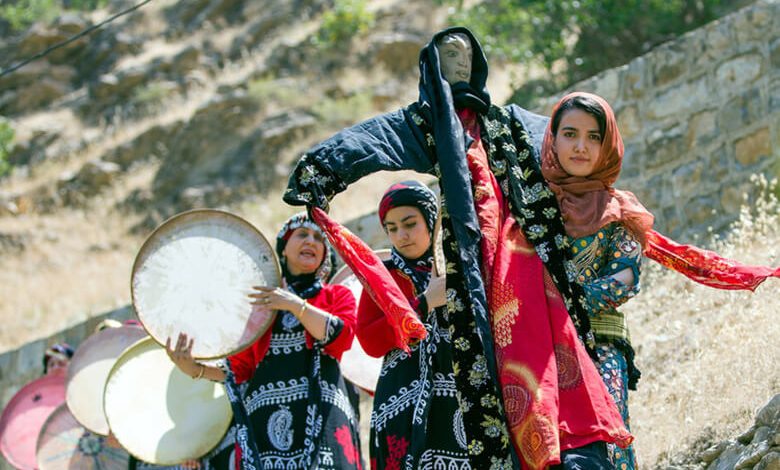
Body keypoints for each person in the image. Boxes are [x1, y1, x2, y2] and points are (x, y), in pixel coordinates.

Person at [284, 27, 632, 469]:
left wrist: (594, 164)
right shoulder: (427, 125)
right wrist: (317, 172)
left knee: (556, 369)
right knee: (497, 387)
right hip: (476, 275)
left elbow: (566, 141)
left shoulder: (507, 122)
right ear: (431, 66)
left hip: (531, 266)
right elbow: (371, 141)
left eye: (466, 55)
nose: (459, 63)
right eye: (448, 55)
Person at [166, 212, 362, 469]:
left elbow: (341, 337)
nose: (311, 241)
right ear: (283, 249)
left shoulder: (337, 296)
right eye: (302, 234)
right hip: (264, 426)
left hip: (322, 420)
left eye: (318, 238)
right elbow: (239, 370)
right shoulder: (258, 308)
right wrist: (194, 369)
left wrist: (295, 306)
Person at [356, 181, 467, 469]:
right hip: (400, 404)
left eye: (409, 224)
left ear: (432, 221)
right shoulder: (382, 279)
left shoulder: (460, 267)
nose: (401, 236)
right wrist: (424, 303)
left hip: (460, 393)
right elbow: (370, 340)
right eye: (392, 229)